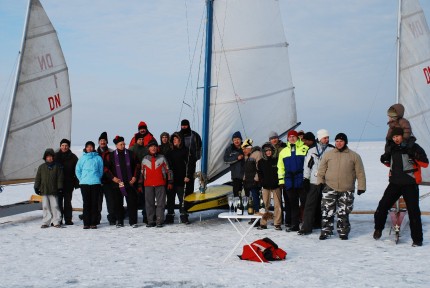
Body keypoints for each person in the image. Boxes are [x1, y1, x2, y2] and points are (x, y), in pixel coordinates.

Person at [374, 127, 428, 247]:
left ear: (402, 135)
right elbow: (390, 164)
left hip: (410, 184)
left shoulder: (413, 146)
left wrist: (414, 154)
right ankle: (378, 229)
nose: (396, 139)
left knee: (414, 212)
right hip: (395, 183)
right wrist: (384, 159)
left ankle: (417, 240)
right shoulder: (392, 148)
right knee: (382, 207)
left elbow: (425, 163)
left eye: (397, 136)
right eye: (393, 137)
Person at [317, 132, 366, 240]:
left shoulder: (354, 156)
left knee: (343, 212)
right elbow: (321, 170)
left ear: (345, 142)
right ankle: (326, 231)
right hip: (330, 186)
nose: (339, 143)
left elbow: (360, 173)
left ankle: (343, 232)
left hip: (347, 189)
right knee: (326, 211)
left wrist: (361, 187)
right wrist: (320, 181)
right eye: (337, 141)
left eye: (341, 141)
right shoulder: (328, 154)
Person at [299, 129, 334, 235]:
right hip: (314, 182)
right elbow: (307, 165)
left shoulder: (332, 150)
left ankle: (326, 227)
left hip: (328, 182)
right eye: (324, 138)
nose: (326, 139)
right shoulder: (312, 150)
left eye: (327, 137)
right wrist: (305, 178)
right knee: (310, 204)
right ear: (319, 138)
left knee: (327, 205)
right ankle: (306, 228)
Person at [104, 136, 140, 228]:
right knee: (118, 203)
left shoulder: (131, 154)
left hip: (130, 183)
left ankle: (133, 221)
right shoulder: (110, 156)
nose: (123, 145)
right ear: (116, 145)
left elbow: (137, 166)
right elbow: (106, 169)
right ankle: (119, 221)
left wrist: (135, 177)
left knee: (132, 203)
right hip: (117, 184)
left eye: (124, 144)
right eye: (121, 144)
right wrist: (113, 178)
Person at [277, 130, 309, 232]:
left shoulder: (305, 149)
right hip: (289, 181)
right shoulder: (283, 151)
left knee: (305, 203)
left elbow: (310, 165)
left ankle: (306, 224)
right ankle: (294, 225)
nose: (292, 138)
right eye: (290, 137)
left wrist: (308, 178)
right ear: (287, 139)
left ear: (297, 138)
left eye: (293, 136)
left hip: (302, 180)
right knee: (293, 204)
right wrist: (281, 181)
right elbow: (280, 167)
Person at [141, 139, 173, 227]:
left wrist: (170, 181)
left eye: (155, 146)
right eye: (151, 146)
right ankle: (150, 221)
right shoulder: (144, 159)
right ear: (148, 148)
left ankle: (159, 221)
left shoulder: (162, 158)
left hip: (160, 184)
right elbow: (141, 172)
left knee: (161, 203)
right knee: (149, 204)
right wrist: (140, 184)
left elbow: (168, 171)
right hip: (148, 185)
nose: (153, 148)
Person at [166, 132, 194, 224]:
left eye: (176, 139)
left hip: (182, 179)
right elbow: (167, 166)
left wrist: (188, 176)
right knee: (170, 199)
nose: (174, 140)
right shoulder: (169, 152)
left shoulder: (186, 151)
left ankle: (184, 216)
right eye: (173, 139)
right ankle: (170, 216)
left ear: (180, 140)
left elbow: (190, 165)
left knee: (182, 199)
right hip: (171, 180)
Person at [75, 141, 104, 229]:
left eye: (91, 147)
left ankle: (93, 223)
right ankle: (86, 223)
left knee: (94, 203)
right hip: (85, 183)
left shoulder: (98, 158)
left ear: (93, 148)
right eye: (88, 147)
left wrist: (97, 178)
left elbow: (100, 170)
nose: (89, 148)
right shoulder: (82, 158)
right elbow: (78, 170)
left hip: (95, 183)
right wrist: (82, 179)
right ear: (85, 148)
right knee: (86, 203)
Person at [34, 148, 63, 228]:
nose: (49, 158)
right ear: (45, 158)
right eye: (47, 157)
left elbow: (60, 178)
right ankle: (46, 222)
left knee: (55, 206)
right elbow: (38, 178)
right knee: (45, 206)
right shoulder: (41, 167)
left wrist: (60, 187)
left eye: (51, 156)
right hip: (44, 190)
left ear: (53, 157)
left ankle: (56, 221)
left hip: (54, 190)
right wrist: (36, 187)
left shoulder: (57, 167)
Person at [257, 142, 282, 230]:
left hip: (276, 186)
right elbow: (260, 174)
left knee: (277, 205)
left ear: (272, 151)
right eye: (266, 151)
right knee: (264, 206)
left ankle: (277, 223)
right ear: (264, 152)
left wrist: (279, 182)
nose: (268, 152)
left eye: (270, 150)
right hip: (266, 186)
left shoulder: (277, 160)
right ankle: (263, 224)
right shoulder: (260, 162)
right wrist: (262, 182)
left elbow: (281, 171)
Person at [55, 138, 79, 225]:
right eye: (62, 145)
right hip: (58, 183)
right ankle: (59, 219)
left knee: (68, 202)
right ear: (60, 146)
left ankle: (68, 219)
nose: (64, 147)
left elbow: (77, 171)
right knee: (58, 202)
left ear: (69, 147)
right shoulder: (55, 156)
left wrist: (76, 183)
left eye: (66, 146)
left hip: (69, 183)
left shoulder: (73, 157)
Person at [268, 131, 289, 226]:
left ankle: (286, 219)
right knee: (277, 200)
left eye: (275, 138)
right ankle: (278, 219)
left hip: (283, 175)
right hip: (273, 176)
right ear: (270, 140)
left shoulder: (284, 146)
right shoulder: (268, 149)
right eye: (272, 138)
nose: (274, 140)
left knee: (286, 198)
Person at [177, 119, 202, 195]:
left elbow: (199, 148)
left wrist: (195, 158)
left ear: (188, 125)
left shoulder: (194, 135)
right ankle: (181, 201)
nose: (184, 127)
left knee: (190, 182)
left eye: (185, 125)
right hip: (179, 163)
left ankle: (189, 199)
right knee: (179, 183)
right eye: (182, 125)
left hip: (191, 162)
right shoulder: (177, 135)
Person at [96, 132, 115, 225]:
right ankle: (96, 218)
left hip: (109, 181)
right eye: (101, 140)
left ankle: (112, 218)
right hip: (97, 181)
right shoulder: (95, 153)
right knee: (98, 202)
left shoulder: (112, 152)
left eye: (104, 140)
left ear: (107, 142)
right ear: (99, 142)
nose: (102, 142)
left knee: (110, 201)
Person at [242, 138, 262, 219]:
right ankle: (253, 217)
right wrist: (244, 178)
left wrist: (256, 179)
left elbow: (259, 167)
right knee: (251, 201)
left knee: (256, 200)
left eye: (244, 149)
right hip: (248, 181)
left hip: (255, 182)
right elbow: (246, 169)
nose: (243, 151)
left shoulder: (257, 153)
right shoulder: (247, 156)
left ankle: (257, 218)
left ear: (249, 148)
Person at [224, 131, 245, 197]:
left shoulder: (245, 147)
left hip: (247, 175)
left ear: (241, 140)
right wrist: (236, 158)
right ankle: (238, 206)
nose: (236, 141)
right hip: (236, 176)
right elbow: (226, 160)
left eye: (238, 139)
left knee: (247, 194)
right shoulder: (230, 149)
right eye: (234, 140)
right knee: (236, 194)